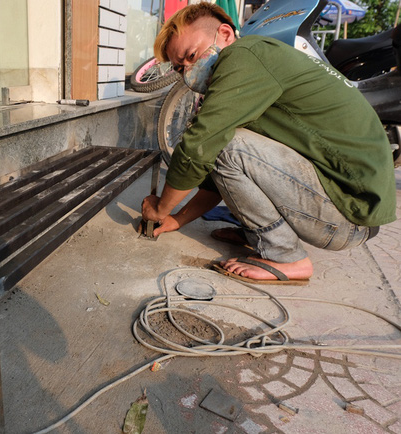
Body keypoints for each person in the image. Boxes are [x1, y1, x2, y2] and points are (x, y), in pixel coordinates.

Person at [141, 3, 397, 285]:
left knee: (222, 142)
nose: (188, 70)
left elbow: (202, 146)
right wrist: (179, 218)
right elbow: (219, 174)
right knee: (224, 140)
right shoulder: (255, 63)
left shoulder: (243, 55)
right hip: (345, 210)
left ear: (225, 34)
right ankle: (258, 233)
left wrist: (160, 209)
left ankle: (286, 256)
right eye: (180, 68)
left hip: (348, 217)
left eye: (191, 56)